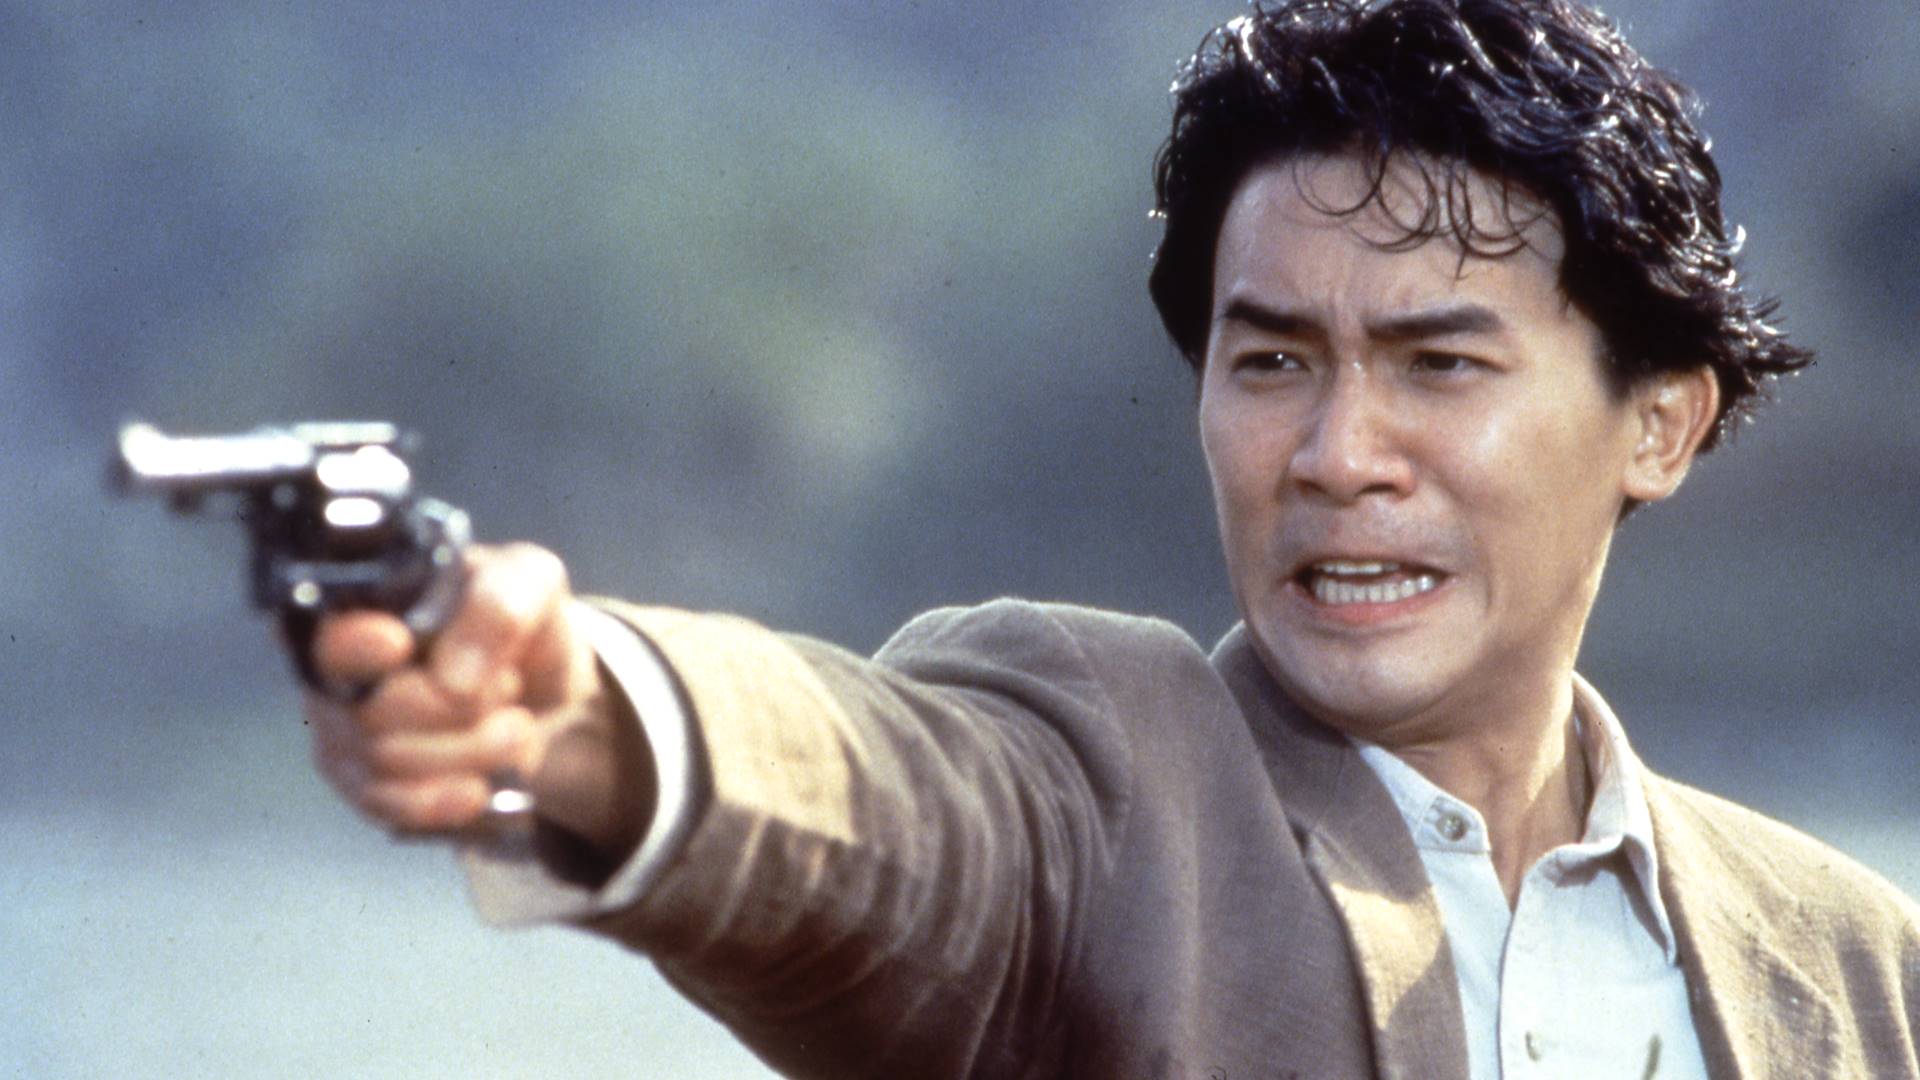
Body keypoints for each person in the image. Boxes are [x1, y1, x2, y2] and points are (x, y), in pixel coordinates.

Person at [303, 1, 1920, 1076]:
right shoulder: (1107, 789)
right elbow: (885, 806)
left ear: (1660, 424)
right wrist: (588, 719)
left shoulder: (1855, 968)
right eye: (1271, 363)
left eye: (1439, 365)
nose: (1337, 455)